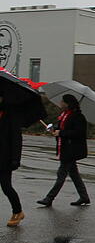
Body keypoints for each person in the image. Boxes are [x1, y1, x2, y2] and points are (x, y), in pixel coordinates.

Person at [0, 90, 45, 226]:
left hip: (5, 158)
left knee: (6, 187)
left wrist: (15, 159)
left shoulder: (11, 116)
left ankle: (18, 211)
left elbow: (16, 139)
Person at [37, 95, 90, 207]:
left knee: (61, 175)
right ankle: (84, 197)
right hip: (65, 148)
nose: (60, 103)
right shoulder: (64, 115)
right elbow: (61, 129)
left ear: (68, 103)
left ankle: (49, 198)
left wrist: (61, 133)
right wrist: (54, 130)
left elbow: (79, 133)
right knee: (74, 174)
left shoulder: (78, 117)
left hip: (71, 150)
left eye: (62, 101)